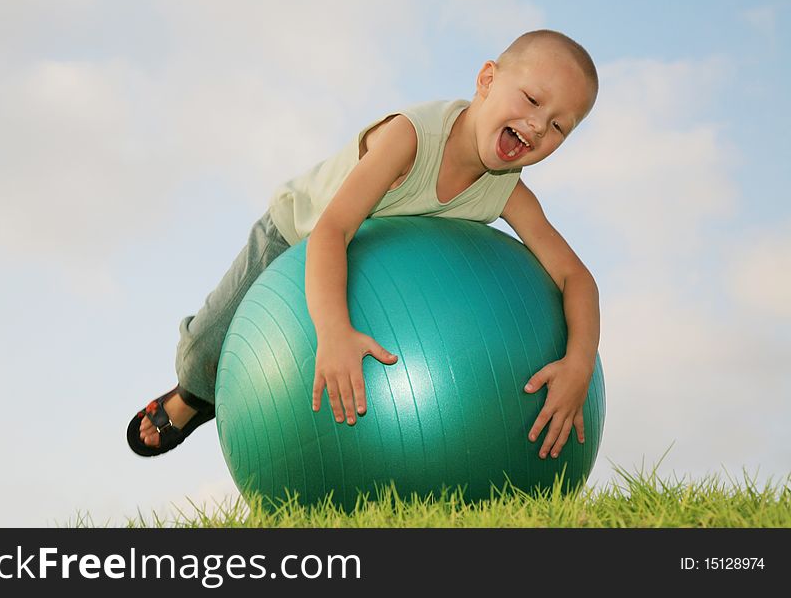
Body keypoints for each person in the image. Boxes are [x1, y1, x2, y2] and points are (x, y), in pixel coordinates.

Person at [127, 29, 601, 463]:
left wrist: (579, 362)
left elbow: (575, 277)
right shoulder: (410, 139)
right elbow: (332, 232)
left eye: (560, 126)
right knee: (206, 350)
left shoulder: (508, 192)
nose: (539, 127)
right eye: (533, 100)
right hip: (297, 236)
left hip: (376, 268)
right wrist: (333, 332)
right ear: (486, 79)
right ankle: (191, 397)